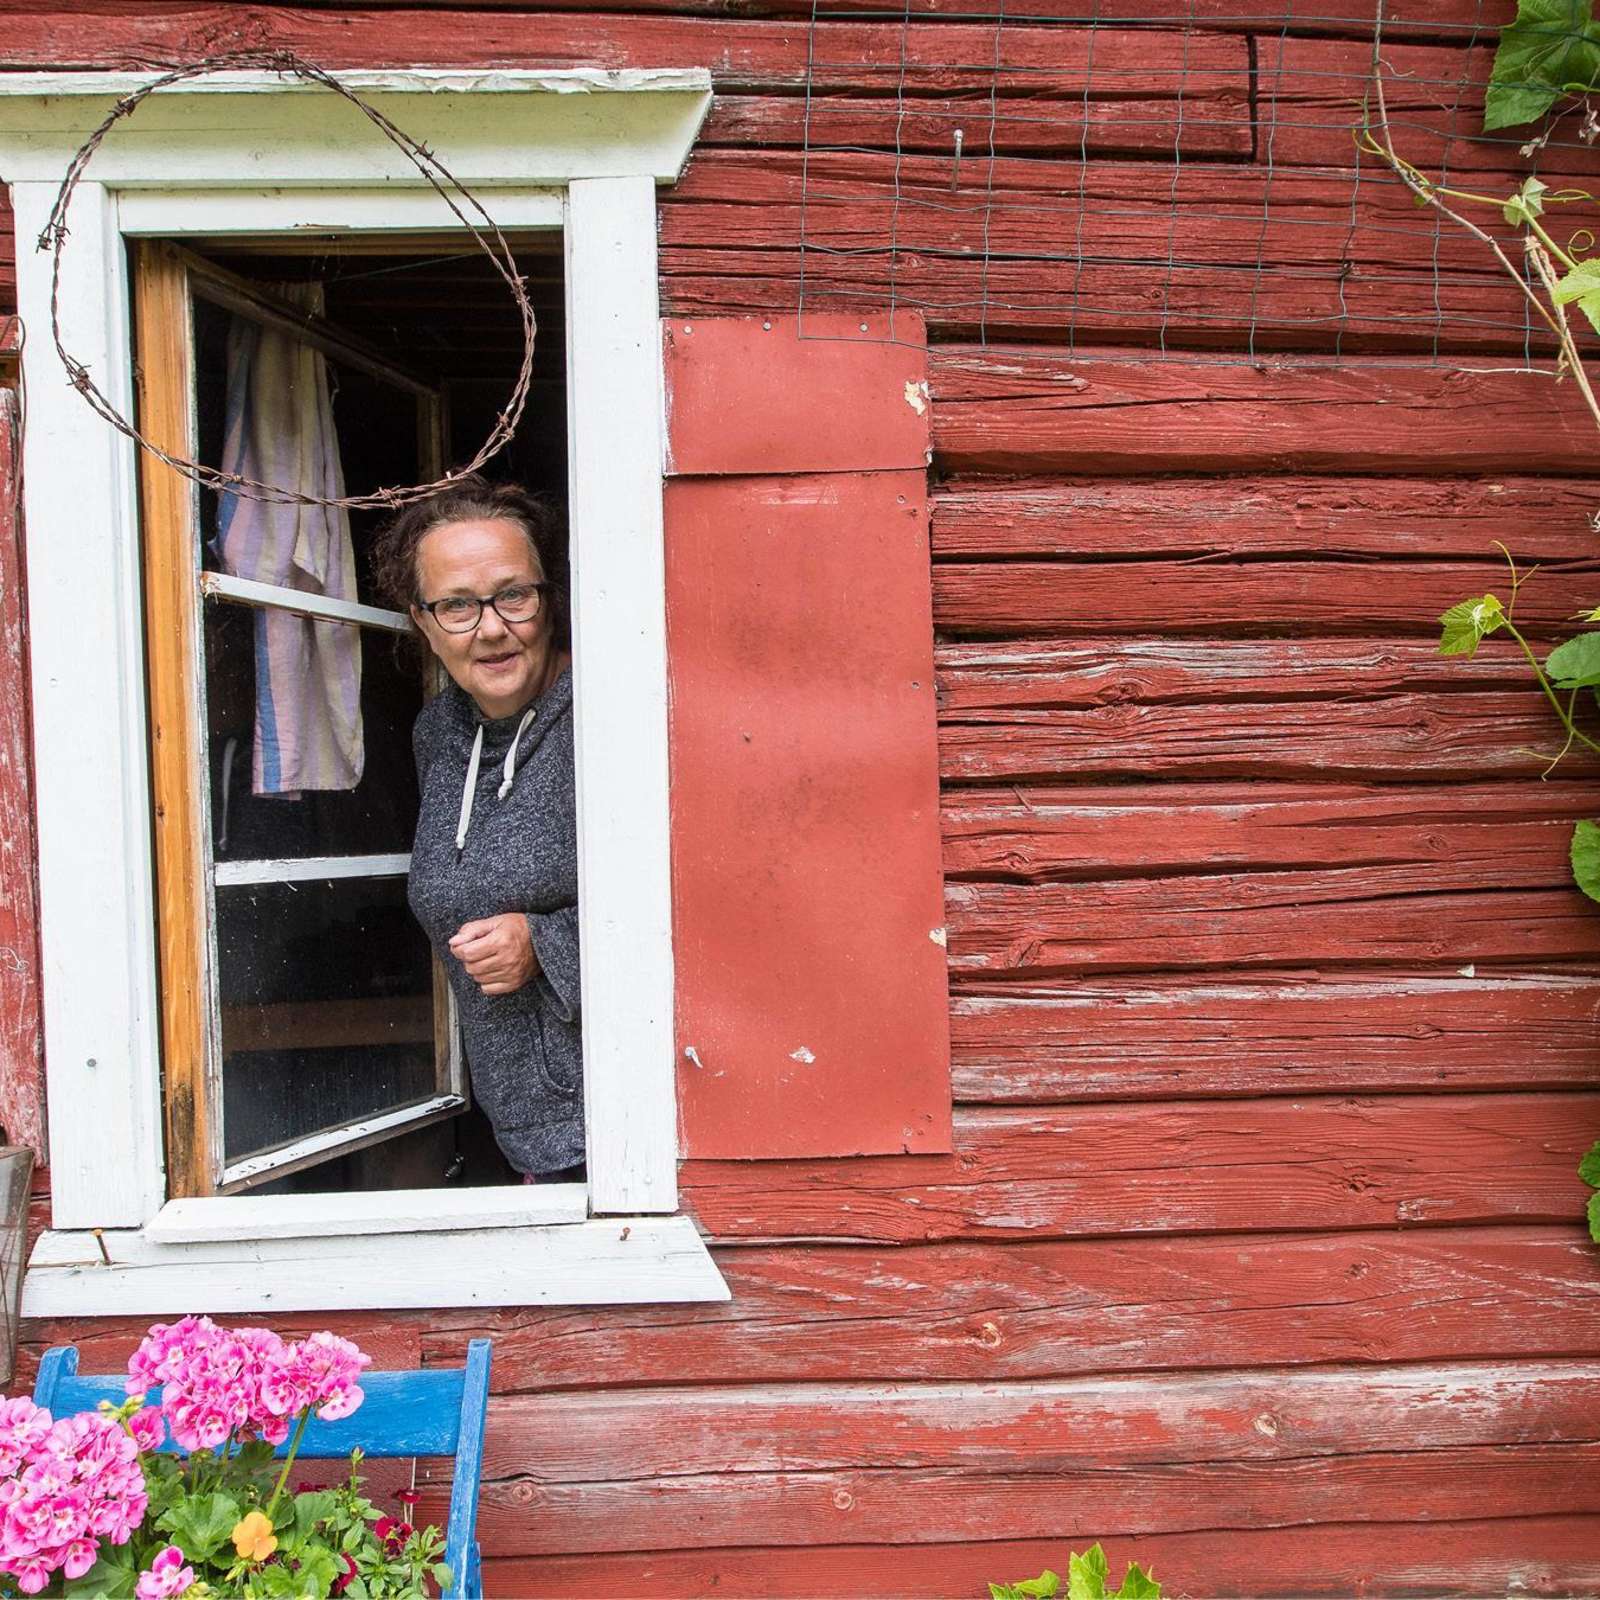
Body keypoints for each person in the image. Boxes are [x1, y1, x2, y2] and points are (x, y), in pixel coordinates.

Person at [373, 475, 584, 1184]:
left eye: (512, 595)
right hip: (517, 1127)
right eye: (457, 606)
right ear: (424, 622)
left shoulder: (604, 713)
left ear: (548, 601)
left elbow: (709, 899)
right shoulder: (438, 733)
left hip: (622, 1124)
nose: (490, 627)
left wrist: (547, 941)